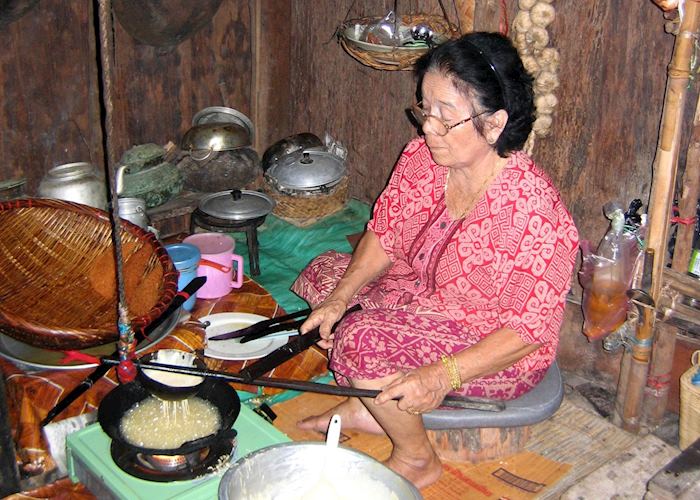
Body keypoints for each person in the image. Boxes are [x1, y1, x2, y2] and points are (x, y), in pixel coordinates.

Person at [291, 32, 579, 489]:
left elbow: (529, 332)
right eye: (425, 110)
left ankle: (416, 457)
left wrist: (442, 376)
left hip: (488, 345)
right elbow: (384, 235)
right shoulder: (423, 159)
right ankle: (370, 402)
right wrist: (341, 298)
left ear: (494, 123)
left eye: (445, 116)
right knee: (325, 275)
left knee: (361, 339)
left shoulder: (532, 210)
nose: (428, 128)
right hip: (419, 298)